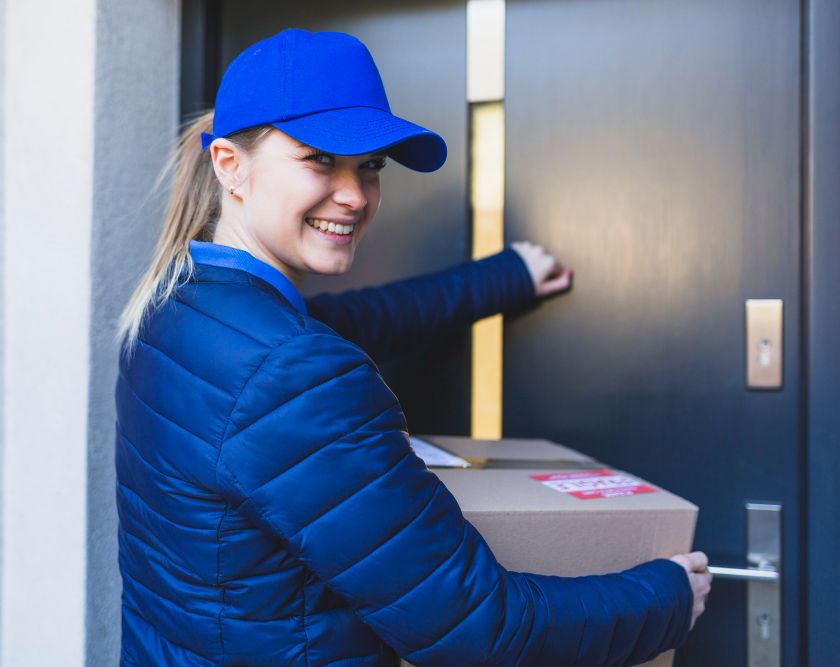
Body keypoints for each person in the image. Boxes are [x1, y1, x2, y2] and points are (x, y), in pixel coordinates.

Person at [114, 28, 711, 666]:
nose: (355, 194)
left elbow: (369, 318)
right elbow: (480, 632)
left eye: (370, 165)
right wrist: (667, 595)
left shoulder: (175, 310)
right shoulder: (285, 368)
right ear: (230, 166)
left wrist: (504, 278)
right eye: (319, 158)